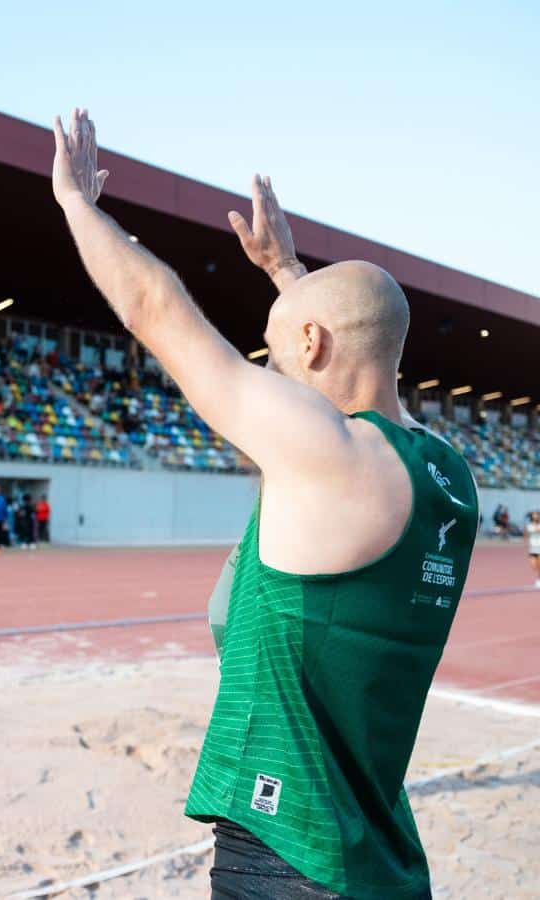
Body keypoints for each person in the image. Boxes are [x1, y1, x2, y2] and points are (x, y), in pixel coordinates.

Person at [53, 109, 477, 898]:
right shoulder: (445, 471)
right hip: (377, 857)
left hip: (291, 855)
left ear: (311, 347)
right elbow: (356, 359)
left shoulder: (334, 458)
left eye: (277, 353)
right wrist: (289, 277)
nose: (271, 371)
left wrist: (80, 205)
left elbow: (158, 314)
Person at [526, 510, 540, 588]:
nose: (535, 517)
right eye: (534, 515)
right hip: (532, 548)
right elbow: (527, 534)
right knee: (533, 565)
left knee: (539, 566)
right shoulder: (529, 525)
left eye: (536, 515)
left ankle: (538, 580)